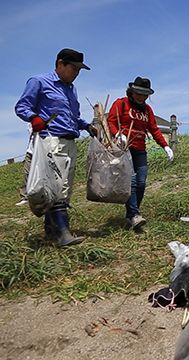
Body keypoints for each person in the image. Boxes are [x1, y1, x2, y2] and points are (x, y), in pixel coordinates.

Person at [15, 48, 97, 246]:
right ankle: (62, 232)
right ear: (60, 63)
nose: (76, 73)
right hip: (50, 139)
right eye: (74, 68)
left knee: (64, 186)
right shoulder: (39, 81)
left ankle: (51, 232)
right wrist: (34, 118)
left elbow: (73, 117)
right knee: (56, 186)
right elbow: (22, 106)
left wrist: (85, 125)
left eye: (79, 70)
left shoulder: (71, 89)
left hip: (70, 141)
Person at [107, 76, 173, 231]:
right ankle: (134, 215)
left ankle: (132, 214)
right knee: (131, 181)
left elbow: (154, 129)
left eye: (145, 94)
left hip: (140, 149)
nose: (141, 96)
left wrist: (165, 146)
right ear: (132, 90)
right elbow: (111, 121)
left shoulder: (147, 110)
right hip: (124, 149)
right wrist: (118, 134)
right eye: (138, 92)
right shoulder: (121, 103)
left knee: (141, 182)